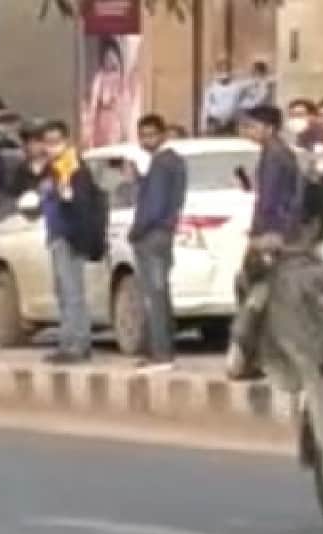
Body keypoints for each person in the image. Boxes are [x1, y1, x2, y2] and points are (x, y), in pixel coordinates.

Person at [228, 104, 303, 381]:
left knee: (256, 294)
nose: (248, 132)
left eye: (253, 126)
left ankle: (250, 355)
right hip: (279, 233)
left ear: (269, 128)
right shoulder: (279, 154)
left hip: (273, 237)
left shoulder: (275, 156)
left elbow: (270, 201)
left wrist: (262, 236)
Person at [37, 120, 105, 365]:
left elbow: (81, 207)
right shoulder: (53, 168)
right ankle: (67, 342)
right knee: (63, 292)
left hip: (70, 237)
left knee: (72, 291)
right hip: (56, 235)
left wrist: (80, 239)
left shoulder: (73, 168)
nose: (51, 146)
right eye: (48, 141)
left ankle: (77, 343)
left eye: (56, 141)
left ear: (67, 141)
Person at [128, 114, 187, 370]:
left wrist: (136, 231)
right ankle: (163, 349)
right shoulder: (169, 162)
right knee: (159, 292)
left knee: (155, 294)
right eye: (142, 135)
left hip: (153, 235)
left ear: (163, 134)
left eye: (151, 135)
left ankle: (161, 353)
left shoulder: (163, 163)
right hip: (163, 233)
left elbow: (155, 204)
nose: (146, 140)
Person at [85, 36, 139, 147]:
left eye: (112, 57)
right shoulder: (99, 77)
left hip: (115, 119)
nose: (110, 60)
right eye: (107, 58)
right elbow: (94, 102)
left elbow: (125, 103)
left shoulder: (121, 79)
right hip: (101, 119)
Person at [8, 122, 49, 198]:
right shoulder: (21, 170)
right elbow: (12, 197)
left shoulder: (59, 168)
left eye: (37, 140)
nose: (28, 145)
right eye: (25, 140)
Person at [201, 57, 242, 135]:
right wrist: (204, 126)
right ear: (218, 71)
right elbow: (206, 106)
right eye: (221, 70)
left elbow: (238, 105)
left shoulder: (237, 87)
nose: (224, 73)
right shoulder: (211, 87)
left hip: (231, 121)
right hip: (214, 121)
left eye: (226, 70)